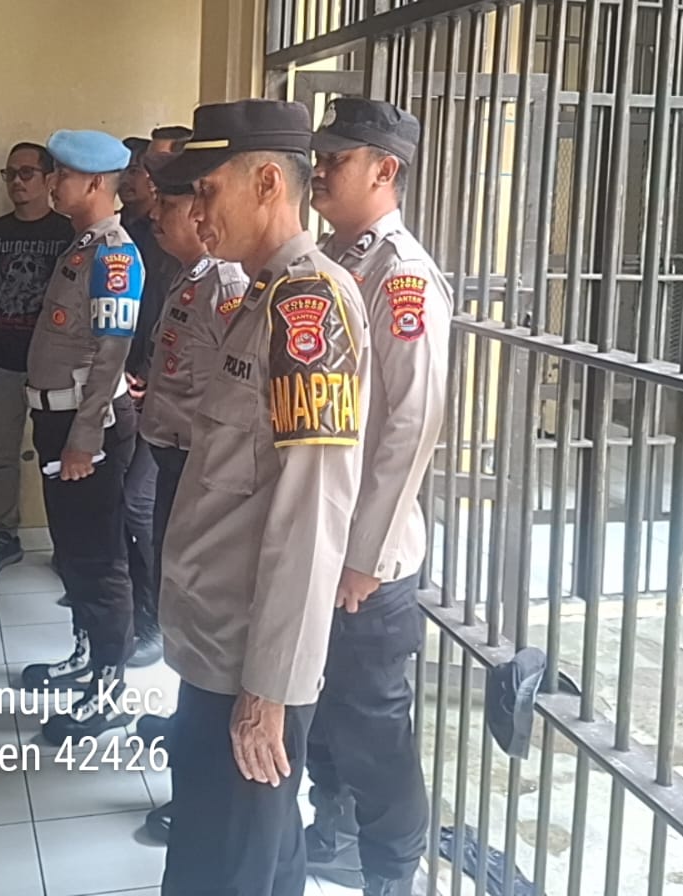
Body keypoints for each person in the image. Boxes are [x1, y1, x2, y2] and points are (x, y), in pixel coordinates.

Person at [155, 101, 370, 896]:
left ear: (268, 182)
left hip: (249, 661)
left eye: (207, 190)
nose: (196, 214)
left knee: (229, 870)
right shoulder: (261, 296)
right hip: (219, 643)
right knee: (237, 860)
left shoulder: (308, 307)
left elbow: (312, 515)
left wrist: (269, 689)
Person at [304, 99, 451, 896]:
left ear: (384, 170)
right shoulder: (329, 259)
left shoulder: (400, 276)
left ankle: (392, 872)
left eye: (338, 159)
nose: (319, 171)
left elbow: (411, 425)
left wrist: (365, 555)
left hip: (369, 558)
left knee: (372, 726)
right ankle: (329, 831)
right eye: (320, 156)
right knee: (322, 708)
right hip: (321, 539)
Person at [134, 146, 248, 842]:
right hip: (173, 458)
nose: (158, 216)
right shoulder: (190, 275)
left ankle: (203, 780)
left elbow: (232, 396)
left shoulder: (226, 284)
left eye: (172, 204)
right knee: (179, 606)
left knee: (205, 624)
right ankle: (186, 728)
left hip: (202, 471)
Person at [19, 128, 145, 743]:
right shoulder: (82, 245)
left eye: (62, 175)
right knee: (72, 550)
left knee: (100, 559)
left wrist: (84, 439)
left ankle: (109, 690)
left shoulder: (114, 256)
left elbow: (110, 355)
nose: (52, 184)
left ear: (95, 182)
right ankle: (85, 655)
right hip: (58, 419)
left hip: (87, 425)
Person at [0, 142, 77, 575]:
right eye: (10, 173)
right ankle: (4, 535)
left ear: (50, 179)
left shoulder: (68, 233)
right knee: (0, 454)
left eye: (26, 172)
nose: (16, 181)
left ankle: (67, 542)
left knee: (60, 455)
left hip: (53, 367)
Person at [119, 126, 191, 666]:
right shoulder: (148, 235)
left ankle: (156, 620)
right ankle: (142, 607)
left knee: (138, 503)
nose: (146, 175)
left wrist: (149, 378)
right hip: (148, 393)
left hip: (175, 410)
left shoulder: (212, 262)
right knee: (138, 504)